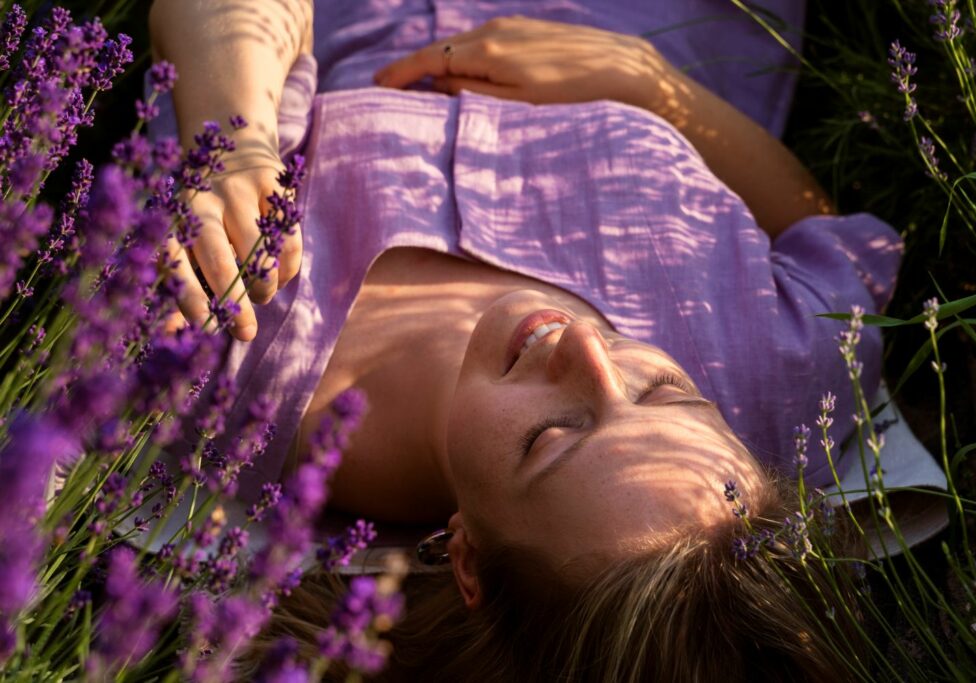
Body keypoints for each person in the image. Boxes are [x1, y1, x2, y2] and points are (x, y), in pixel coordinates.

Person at [148, 0, 901, 679]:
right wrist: (649, 83)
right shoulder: (777, 390)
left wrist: (235, 145)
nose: (588, 350)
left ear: (467, 556)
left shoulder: (231, 343)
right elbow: (835, 241)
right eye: (664, 390)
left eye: (549, 437)